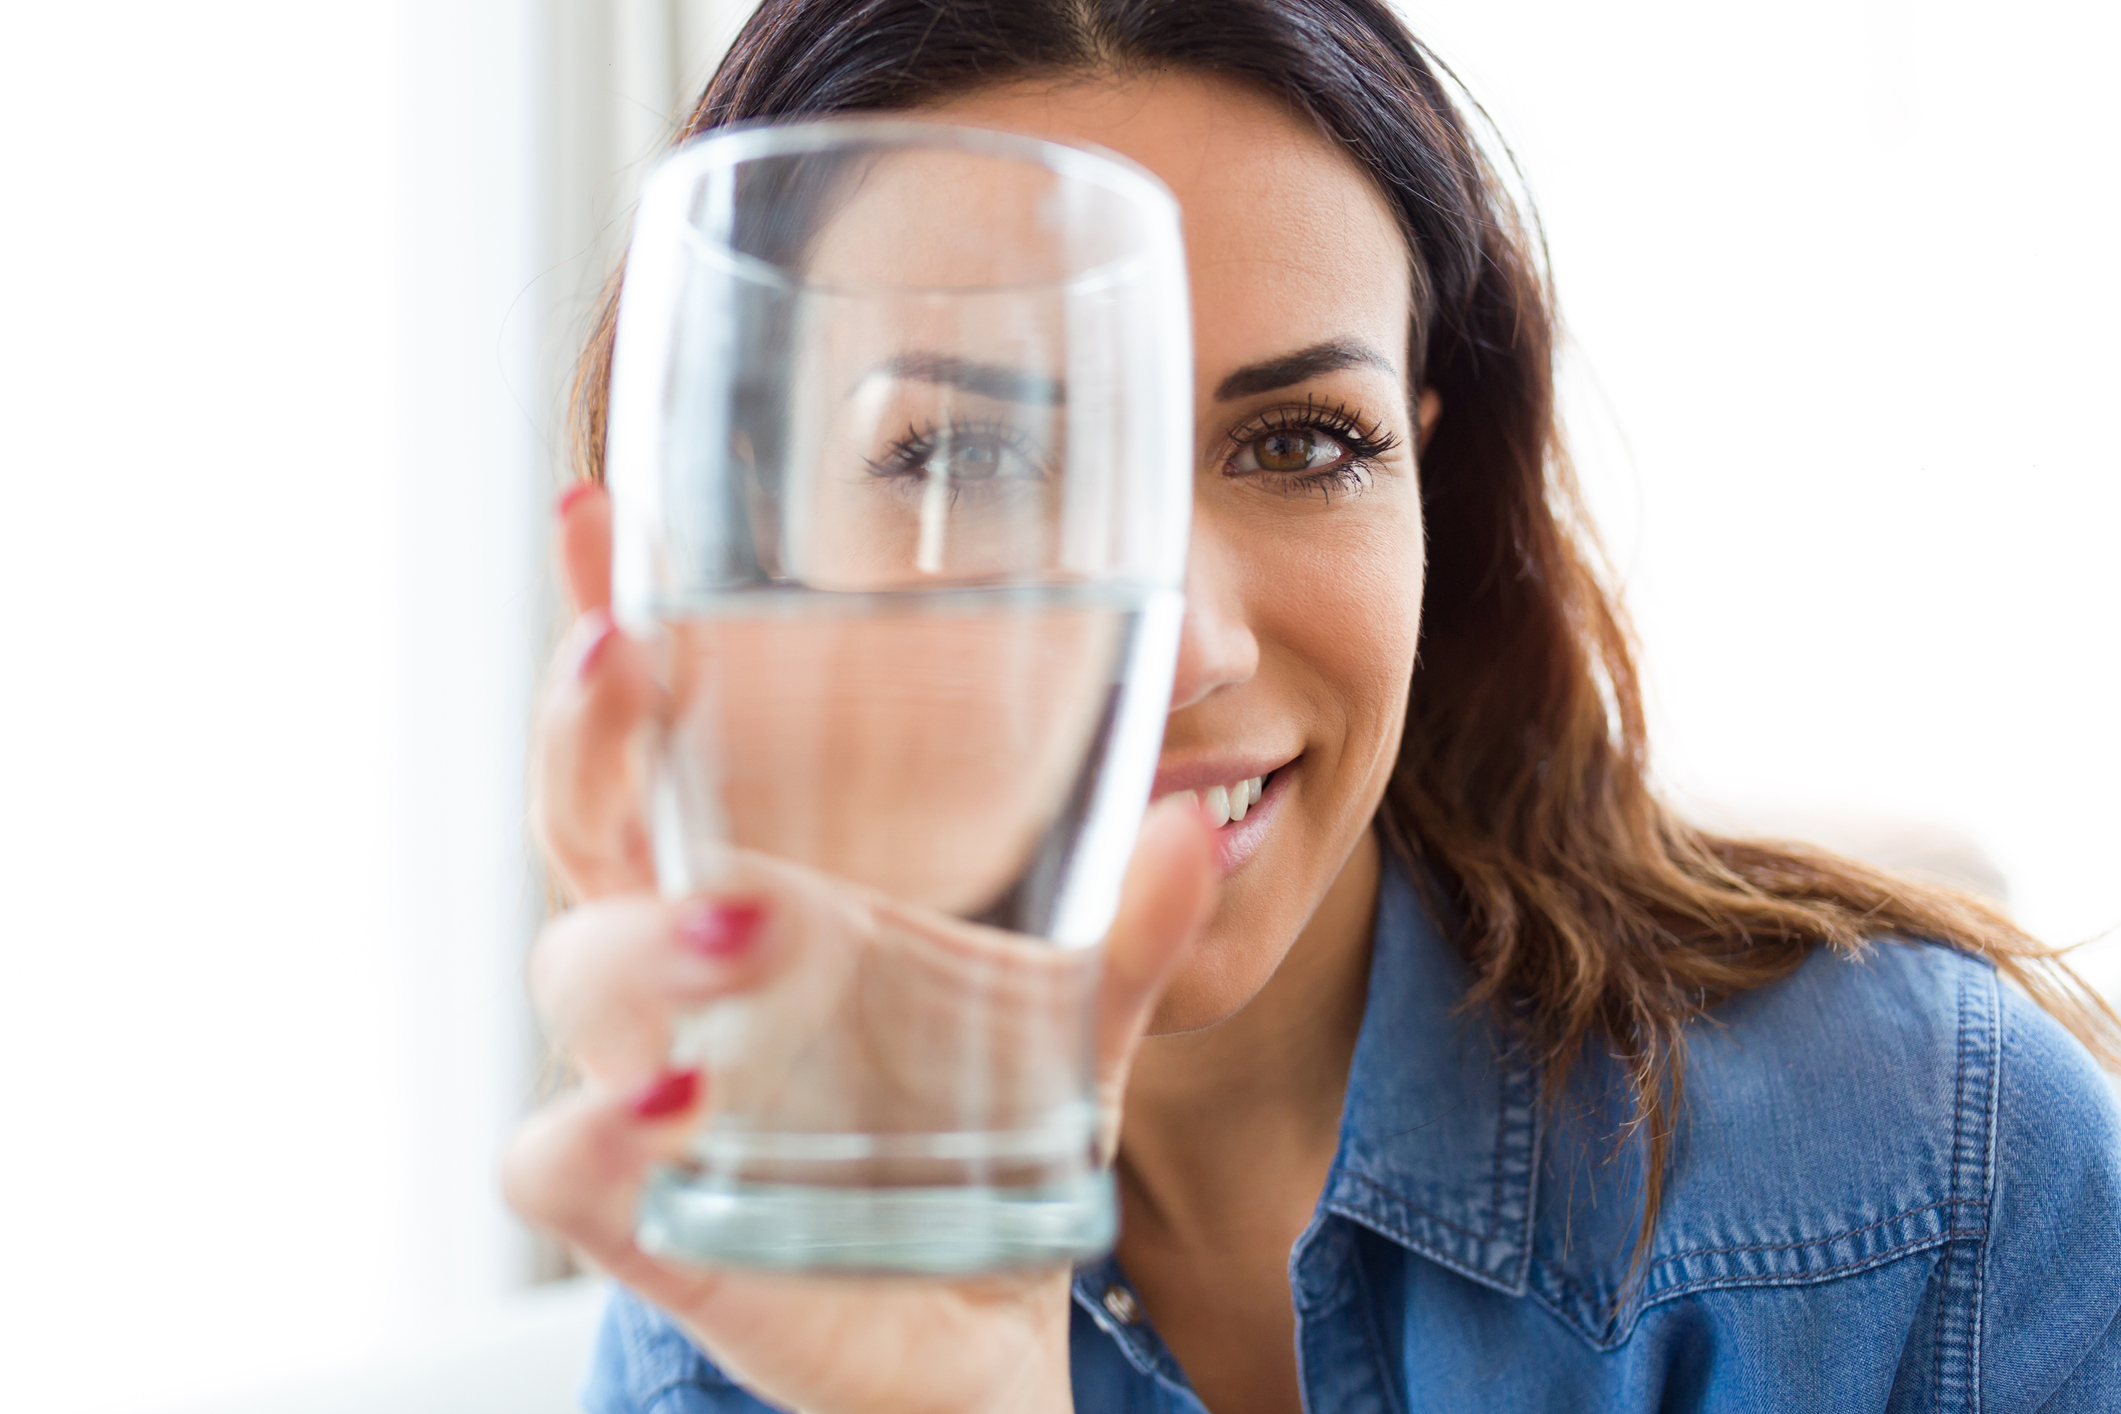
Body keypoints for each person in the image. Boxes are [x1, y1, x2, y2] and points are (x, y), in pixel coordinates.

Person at [503, 1, 2121, 1410]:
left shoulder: (1938, 1183)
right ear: (747, 532)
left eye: (1297, 444)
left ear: (1432, 472)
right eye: (972, 456)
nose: (1178, 640)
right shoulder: (738, 1321)